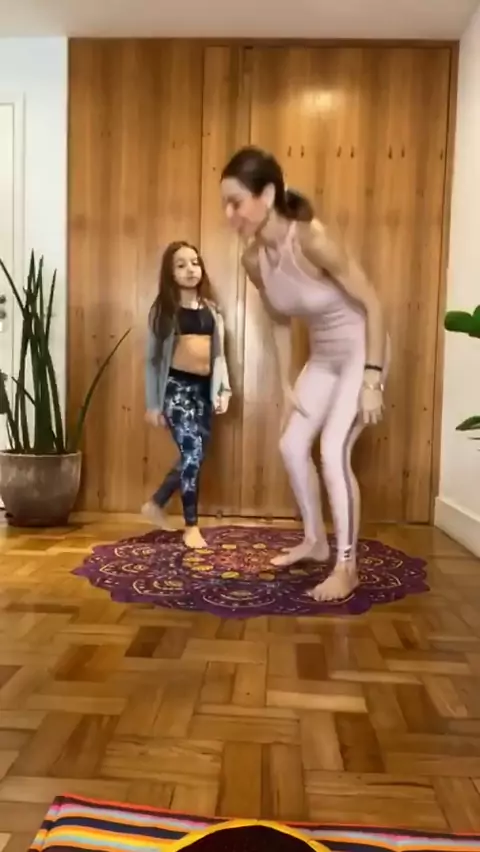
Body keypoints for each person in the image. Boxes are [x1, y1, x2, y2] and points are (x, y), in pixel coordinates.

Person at [220, 147, 388, 602]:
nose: (229, 215)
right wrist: (285, 383)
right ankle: (315, 541)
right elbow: (278, 317)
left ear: (266, 195)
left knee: (333, 451)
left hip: (361, 350)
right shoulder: (253, 260)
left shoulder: (312, 239)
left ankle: (347, 567)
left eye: (236, 202)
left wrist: (372, 379)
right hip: (324, 357)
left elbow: (373, 304)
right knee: (292, 445)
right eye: (225, 205)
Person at [143, 241, 231, 549]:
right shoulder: (163, 311)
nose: (190, 269)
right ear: (170, 273)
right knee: (192, 454)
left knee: (195, 456)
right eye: (181, 265)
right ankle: (191, 526)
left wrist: (223, 390)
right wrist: (153, 404)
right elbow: (152, 360)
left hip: (203, 391)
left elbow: (219, 355)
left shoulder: (212, 310)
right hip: (175, 389)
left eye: (194, 262)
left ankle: (156, 503)